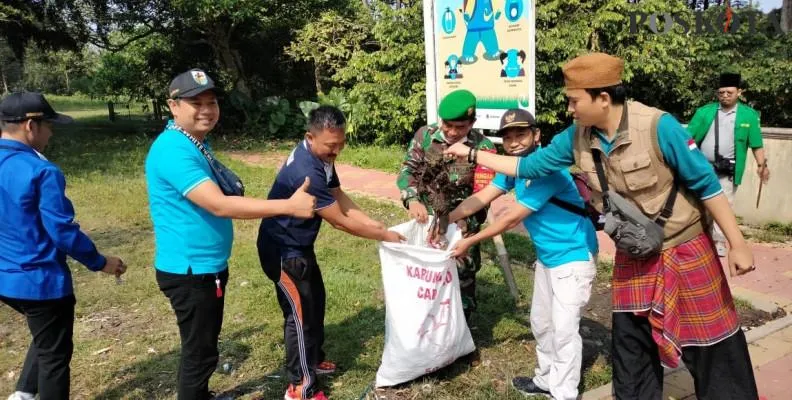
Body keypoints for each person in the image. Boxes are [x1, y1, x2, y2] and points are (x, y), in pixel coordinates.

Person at [444, 53, 759, 400]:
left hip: (684, 247)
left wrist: (737, 243)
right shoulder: (575, 138)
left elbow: (706, 184)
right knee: (631, 345)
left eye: (574, 100)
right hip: (634, 252)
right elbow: (528, 167)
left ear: (603, 98)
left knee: (711, 344)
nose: (569, 108)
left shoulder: (658, 126)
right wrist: (472, 154)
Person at [144, 68, 316, 399]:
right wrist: (288, 206)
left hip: (205, 267)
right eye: (196, 102)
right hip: (191, 270)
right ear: (173, 106)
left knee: (204, 346)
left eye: (212, 101)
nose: (207, 109)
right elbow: (220, 205)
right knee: (199, 352)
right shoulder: (173, 150)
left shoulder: (192, 142)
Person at [445, 108, 598, 400]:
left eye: (521, 134)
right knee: (542, 322)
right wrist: (445, 220)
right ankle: (545, 379)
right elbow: (482, 197)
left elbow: (511, 219)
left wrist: (470, 240)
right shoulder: (514, 168)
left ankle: (564, 392)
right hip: (548, 257)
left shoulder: (547, 170)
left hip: (574, 257)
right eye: (508, 136)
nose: (514, 141)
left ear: (536, 135)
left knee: (564, 329)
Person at [257, 105, 404, 400]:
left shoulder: (322, 156)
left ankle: (313, 360)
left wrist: (371, 221)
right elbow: (338, 221)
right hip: (283, 250)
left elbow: (338, 195)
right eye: (330, 145)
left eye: (341, 143)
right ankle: (300, 386)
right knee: (299, 316)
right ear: (310, 137)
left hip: (300, 246)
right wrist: (383, 234)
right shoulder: (306, 169)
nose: (336, 150)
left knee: (314, 304)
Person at [0, 92, 127, 400]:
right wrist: (101, 261)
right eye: (49, 126)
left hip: (5, 278)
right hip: (40, 281)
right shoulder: (42, 172)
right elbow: (62, 232)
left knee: (46, 334)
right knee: (55, 358)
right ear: (31, 126)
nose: (51, 133)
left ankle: (24, 393)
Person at [396, 89, 496, 322]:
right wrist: (412, 199)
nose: (451, 132)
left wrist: (464, 221)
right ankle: (427, 329)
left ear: (472, 123)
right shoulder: (426, 135)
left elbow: (484, 196)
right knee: (425, 277)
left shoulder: (483, 149)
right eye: (447, 125)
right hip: (427, 222)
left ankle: (462, 335)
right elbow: (408, 170)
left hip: (461, 224)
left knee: (462, 278)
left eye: (459, 127)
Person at [687, 72, 769, 256]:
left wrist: (761, 165)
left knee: (723, 206)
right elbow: (688, 138)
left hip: (728, 170)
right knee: (700, 206)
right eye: (721, 92)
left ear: (739, 92)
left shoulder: (748, 116)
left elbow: (756, 144)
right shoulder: (705, 112)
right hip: (702, 167)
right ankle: (700, 240)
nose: (725, 96)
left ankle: (718, 243)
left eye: (729, 92)